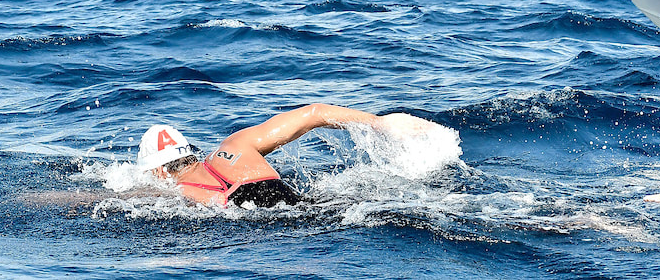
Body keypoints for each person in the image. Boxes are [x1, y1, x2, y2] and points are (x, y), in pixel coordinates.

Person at [137, 103, 437, 208]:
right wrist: (379, 124)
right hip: (310, 204)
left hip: (282, 229)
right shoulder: (236, 144)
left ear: (160, 170)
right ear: (188, 153)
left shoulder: (178, 193)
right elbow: (314, 113)